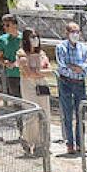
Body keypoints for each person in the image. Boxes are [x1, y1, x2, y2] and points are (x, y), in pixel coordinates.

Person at [55, 22, 87, 154]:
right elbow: (62, 65)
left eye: (77, 31)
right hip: (65, 83)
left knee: (80, 114)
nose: (75, 34)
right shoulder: (61, 47)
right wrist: (77, 68)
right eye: (72, 31)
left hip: (80, 83)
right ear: (67, 33)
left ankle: (80, 143)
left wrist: (77, 68)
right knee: (67, 114)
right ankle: (70, 143)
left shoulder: (84, 48)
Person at [16, 29, 51, 157]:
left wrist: (38, 72)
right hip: (28, 85)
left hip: (42, 85)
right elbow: (27, 73)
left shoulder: (41, 53)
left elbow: (49, 70)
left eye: (37, 36)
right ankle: (27, 139)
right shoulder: (21, 54)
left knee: (44, 113)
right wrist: (40, 72)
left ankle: (42, 143)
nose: (35, 39)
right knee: (32, 113)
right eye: (32, 37)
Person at [0, 14, 23, 100]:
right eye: (4, 25)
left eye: (8, 25)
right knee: (16, 100)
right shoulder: (2, 39)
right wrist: (5, 62)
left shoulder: (23, 38)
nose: (5, 27)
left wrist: (16, 63)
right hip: (11, 74)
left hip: (24, 74)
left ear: (15, 25)